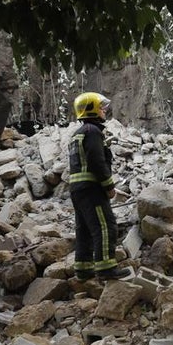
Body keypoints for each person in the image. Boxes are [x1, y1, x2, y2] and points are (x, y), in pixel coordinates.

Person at [68, 92, 128, 280]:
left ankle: (83, 269)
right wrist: (109, 186)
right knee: (105, 226)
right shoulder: (93, 132)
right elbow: (97, 162)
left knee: (84, 228)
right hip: (92, 188)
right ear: (91, 109)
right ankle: (106, 269)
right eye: (101, 107)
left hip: (78, 189)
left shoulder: (78, 134)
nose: (104, 110)